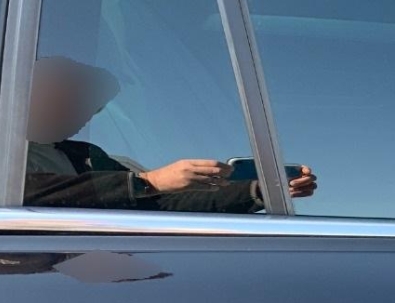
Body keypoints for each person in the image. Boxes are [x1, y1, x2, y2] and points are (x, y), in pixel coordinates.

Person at [24, 57, 316, 212]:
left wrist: (259, 192)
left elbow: (159, 203)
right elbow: (22, 191)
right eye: (73, 104)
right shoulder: (8, 154)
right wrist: (149, 181)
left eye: (91, 109)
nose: (84, 116)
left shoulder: (86, 156)